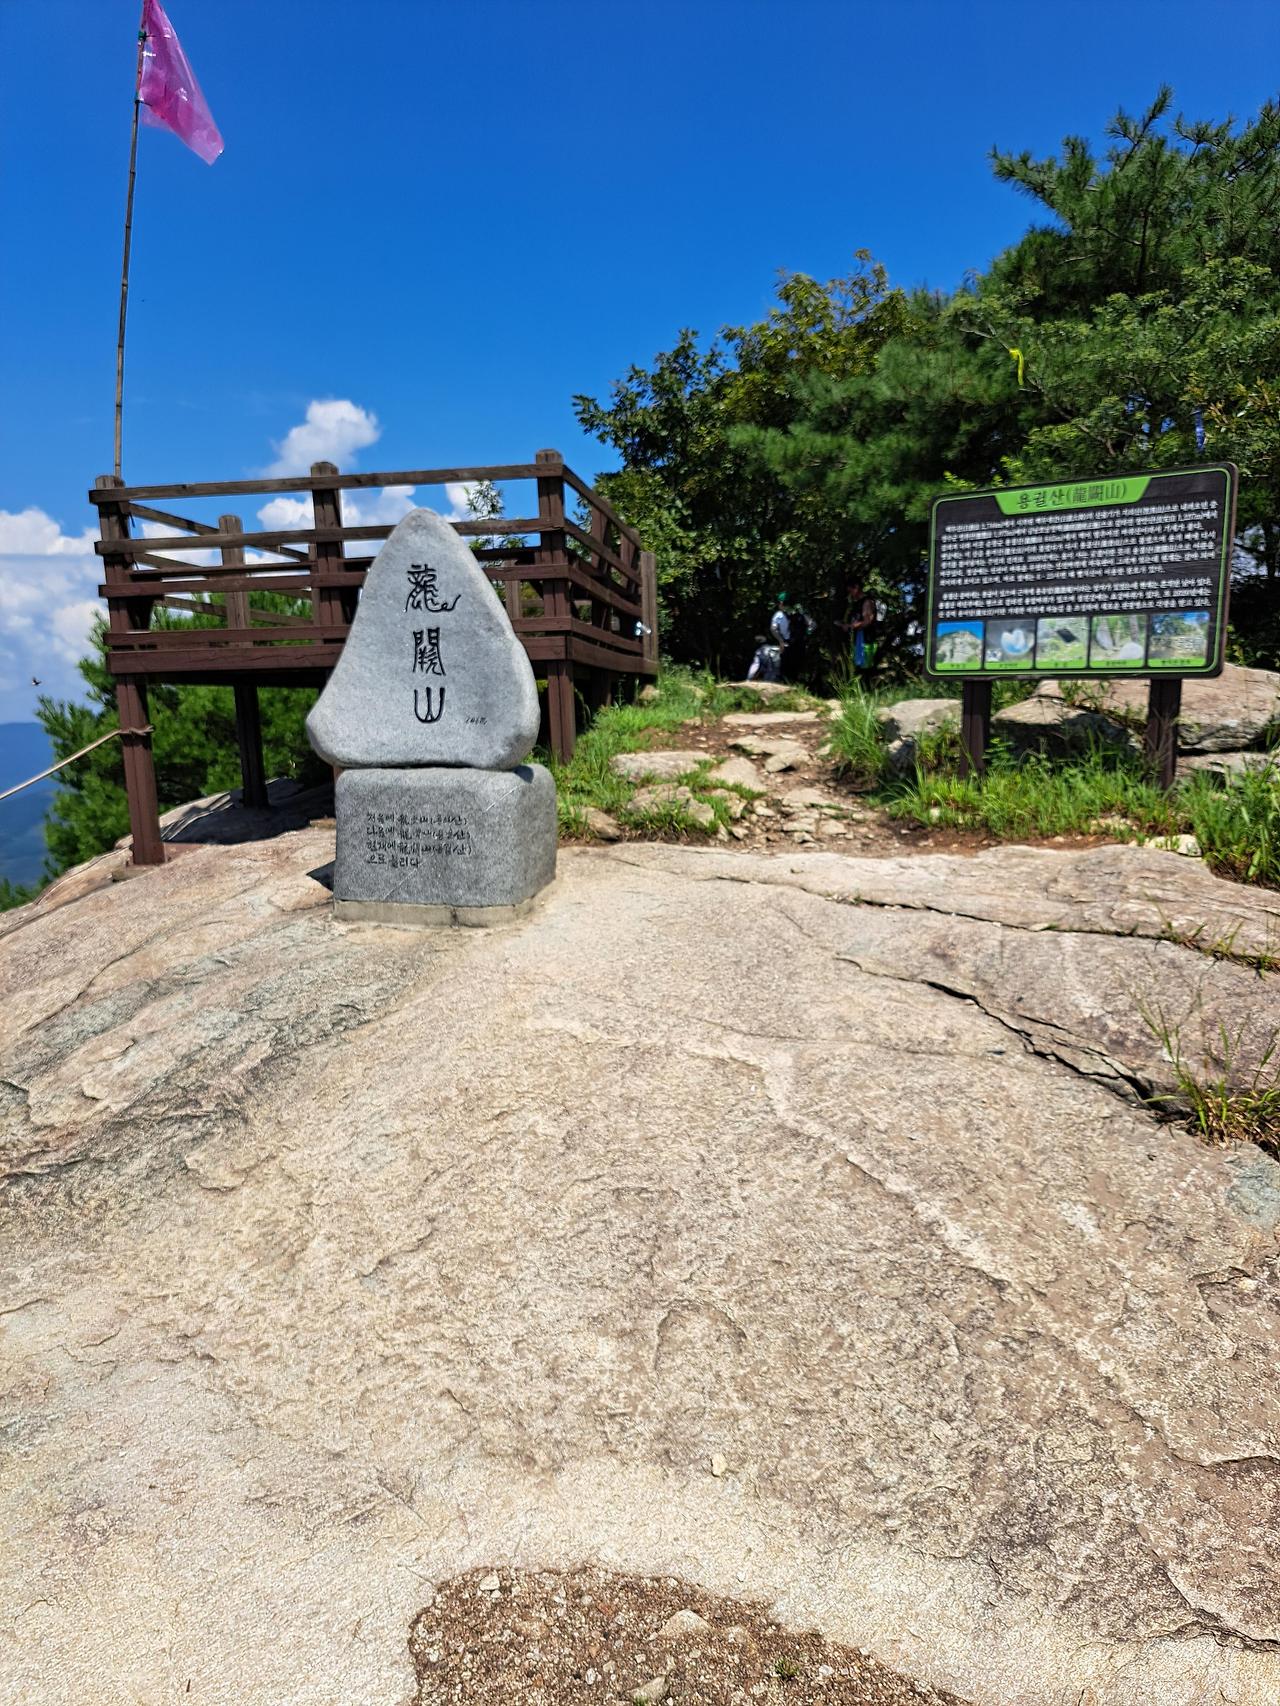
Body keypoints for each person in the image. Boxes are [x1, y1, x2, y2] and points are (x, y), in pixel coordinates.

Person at [839, 579, 878, 673]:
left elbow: (867, 621)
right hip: (858, 640)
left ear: (856, 587)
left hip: (866, 641)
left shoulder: (867, 602)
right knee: (857, 669)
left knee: (865, 671)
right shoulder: (856, 603)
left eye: (850, 591)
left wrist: (850, 626)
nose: (850, 594)